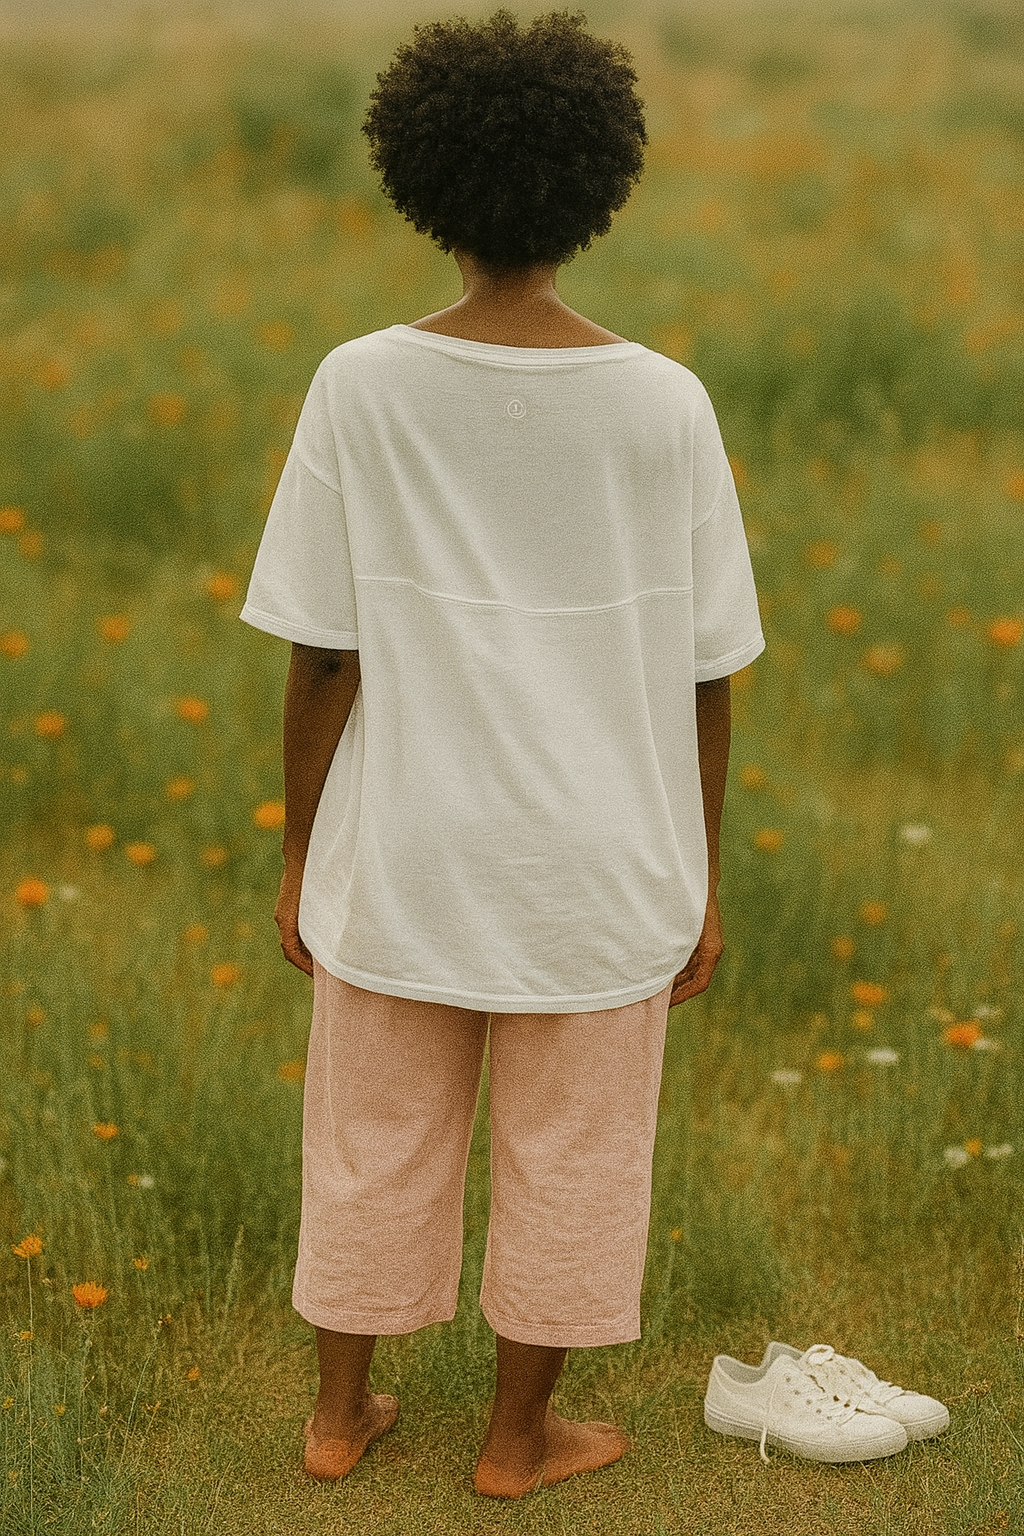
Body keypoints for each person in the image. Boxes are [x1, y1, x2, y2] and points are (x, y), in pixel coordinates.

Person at [239, 8, 764, 1500]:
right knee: (577, 1156)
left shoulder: (361, 383)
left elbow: (324, 653)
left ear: (421, 181)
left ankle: (342, 1422)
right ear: (597, 189)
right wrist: (700, 880)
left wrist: (299, 852)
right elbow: (709, 673)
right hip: (600, 866)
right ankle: (518, 1443)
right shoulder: (664, 403)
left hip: (404, 844)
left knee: (371, 1133)